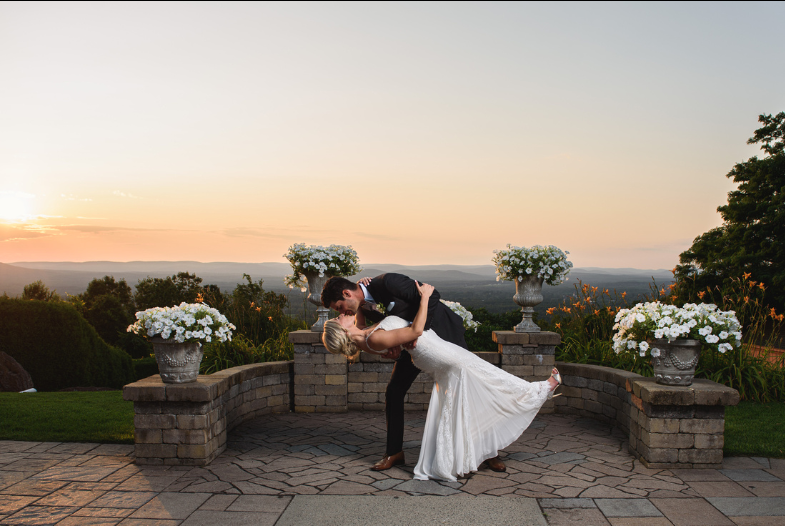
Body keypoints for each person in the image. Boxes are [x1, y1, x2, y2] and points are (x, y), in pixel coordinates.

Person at [322, 280, 561, 482]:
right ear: (342, 332)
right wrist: (421, 301)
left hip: (438, 338)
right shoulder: (368, 337)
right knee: (486, 381)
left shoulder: (381, 289)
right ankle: (395, 452)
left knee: (471, 392)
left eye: (339, 308)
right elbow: (407, 328)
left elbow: (365, 325)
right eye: (338, 315)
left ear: (348, 293)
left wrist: (370, 310)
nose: (341, 313)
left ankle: (485, 451)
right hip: (428, 348)